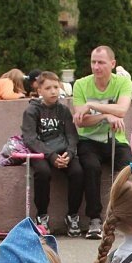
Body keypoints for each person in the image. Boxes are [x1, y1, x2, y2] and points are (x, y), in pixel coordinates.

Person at [73, 45, 132, 238]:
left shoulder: (122, 82)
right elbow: (81, 121)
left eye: (101, 62)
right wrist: (106, 116)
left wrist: (91, 106)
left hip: (116, 137)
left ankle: (126, 216)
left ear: (112, 64)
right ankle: (94, 219)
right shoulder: (81, 85)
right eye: (93, 62)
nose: (96, 66)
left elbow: (123, 110)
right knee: (91, 168)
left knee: (129, 170)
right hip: (89, 139)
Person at [21, 71, 84, 237]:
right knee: (43, 172)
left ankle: (72, 216)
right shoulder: (32, 111)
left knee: (77, 171)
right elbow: (30, 139)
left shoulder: (63, 110)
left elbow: (72, 135)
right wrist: (51, 156)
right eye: (48, 88)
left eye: (56, 87)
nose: (53, 91)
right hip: (41, 152)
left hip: (62, 152)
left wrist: (69, 154)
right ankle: (42, 216)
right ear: (39, 90)